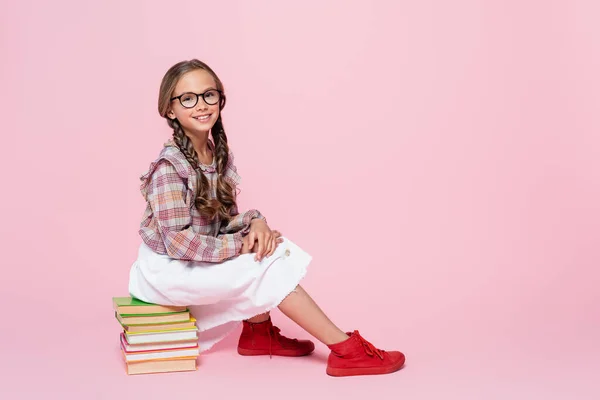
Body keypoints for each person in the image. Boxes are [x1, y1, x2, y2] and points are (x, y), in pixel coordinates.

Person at [127, 59, 406, 377]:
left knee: (270, 245)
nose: (202, 105)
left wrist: (256, 222)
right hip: (168, 268)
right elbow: (179, 243)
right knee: (266, 260)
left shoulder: (216, 152)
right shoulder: (169, 169)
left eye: (209, 95)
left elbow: (221, 220)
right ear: (170, 110)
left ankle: (258, 334)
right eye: (188, 98)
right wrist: (241, 246)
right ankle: (346, 350)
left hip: (193, 253)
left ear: (220, 99)